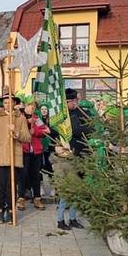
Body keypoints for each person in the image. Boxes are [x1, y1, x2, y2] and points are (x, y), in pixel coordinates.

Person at [0, 95, 31, 223]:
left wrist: (16, 132)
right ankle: (0, 210)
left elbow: (27, 138)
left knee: (11, 186)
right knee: (0, 185)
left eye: (10, 102)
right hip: (0, 156)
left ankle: (11, 211)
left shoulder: (20, 118)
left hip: (14, 157)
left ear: (14, 103)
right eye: (5, 103)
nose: (7, 104)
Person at [57, 88, 89, 230]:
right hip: (67, 158)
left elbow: (90, 129)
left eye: (75, 100)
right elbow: (61, 132)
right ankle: (60, 220)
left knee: (77, 190)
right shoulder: (62, 116)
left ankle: (73, 218)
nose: (75, 103)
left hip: (82, 156)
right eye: (72, 101)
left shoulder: (83, 113)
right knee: (67, 191)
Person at [19, 98, 49, 211]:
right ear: (25, 106)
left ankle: (37, 198)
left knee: (36, 175)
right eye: (30, 106)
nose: (32, 108)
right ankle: (21, 198)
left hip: (36, 151)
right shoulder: (20, 118)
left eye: (34, 106)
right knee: (23, 174)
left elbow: (46, 131)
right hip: (24, 150)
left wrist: (35, 132)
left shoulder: (37, 119)